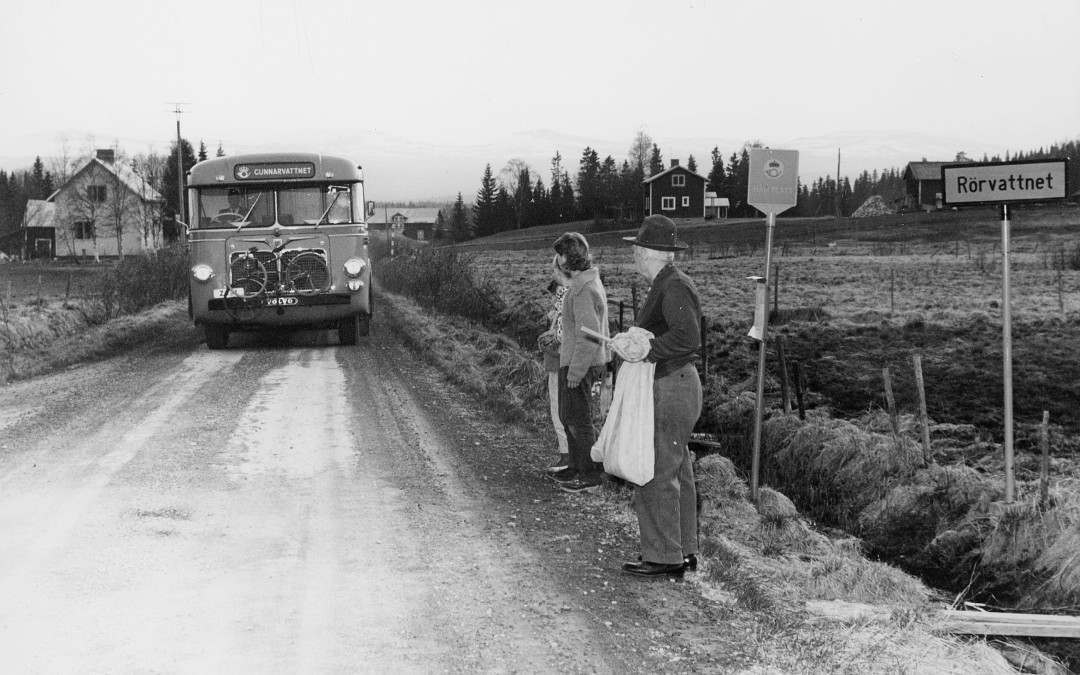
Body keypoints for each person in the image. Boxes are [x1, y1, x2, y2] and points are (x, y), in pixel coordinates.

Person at [616, 215, 702, 578]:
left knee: (654, 468)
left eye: (637, 247)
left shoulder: (673, 286)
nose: (634, 253)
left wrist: (644, 348)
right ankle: (682, 551)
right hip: (675, 383)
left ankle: (664, 557)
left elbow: (688, 337)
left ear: (652, 252)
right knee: (676, 468)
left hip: (670, 386)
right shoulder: (667, 283)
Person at [550, 232, 610, 494]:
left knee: (579, 420)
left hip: (580, 363)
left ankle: (590, 475)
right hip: (572, 360)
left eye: (560, 254)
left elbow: (589, 336)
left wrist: (575, 371)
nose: (557, 259)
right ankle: (576, 466)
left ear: (567, 258)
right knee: (568, 416)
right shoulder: (582, 284)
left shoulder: (584, 289)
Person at [538, 255, 571, 475]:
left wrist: (546, 338)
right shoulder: (570, 294)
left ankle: (566, 456)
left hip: (560, 361)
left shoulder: (565, 295)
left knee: (558, 408)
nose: (552, 275)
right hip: (564, 361)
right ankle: (569, 455)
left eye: (554, 271)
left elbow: (560, 336)